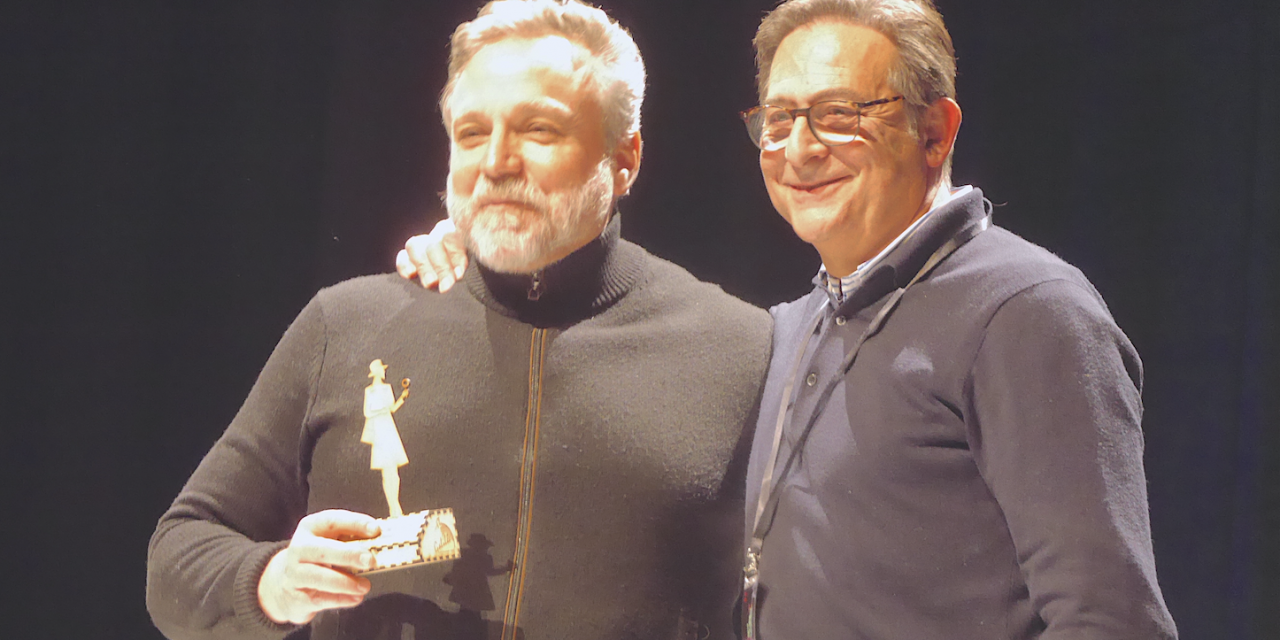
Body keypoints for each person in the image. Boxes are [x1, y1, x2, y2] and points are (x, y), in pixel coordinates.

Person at [399, 0, 1177, 637]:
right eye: (778, 119)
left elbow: (1108, 618)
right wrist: (490, 247)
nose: (799, 149)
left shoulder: (1023, 311)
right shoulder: (787, 329)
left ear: (935, 131)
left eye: (839, 114)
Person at [145, 2, 770, 639]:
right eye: (472, 133)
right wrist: (272, 581)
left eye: (539, 131)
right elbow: (180, 555)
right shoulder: (349, 324)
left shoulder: (740, 351)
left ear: (625, 157)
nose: (496, 161)